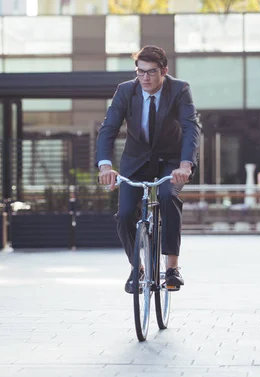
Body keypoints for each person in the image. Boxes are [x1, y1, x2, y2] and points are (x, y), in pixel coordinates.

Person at [96, 45, 201, 294]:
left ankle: (172, 267)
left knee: (167, 195)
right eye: (140, 71)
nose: (144, 77)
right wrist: (105, 165)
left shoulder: (179, 89)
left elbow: (190, 128)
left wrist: (185, 164)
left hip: (171, 161)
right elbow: (108, 128)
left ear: (164, 70)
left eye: (151, 72)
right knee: (124, 214)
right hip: (136, 160)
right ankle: (137, 268)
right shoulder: (125, 90)